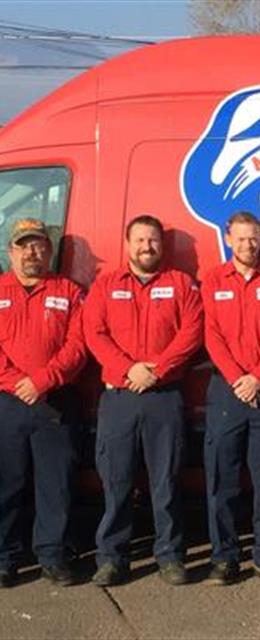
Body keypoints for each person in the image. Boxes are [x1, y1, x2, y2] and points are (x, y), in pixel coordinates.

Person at [83, 214, 202, 586]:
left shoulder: (180, 283)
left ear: (162, 245)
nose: (146, 246)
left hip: (163, 396)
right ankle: (112, 558)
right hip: (119, 396)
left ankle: (169, 556)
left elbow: (192, 332)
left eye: (153, 240)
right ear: (127, 243)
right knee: (115, 481)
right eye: (140, 240)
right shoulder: (105, 284)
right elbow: (94, 332)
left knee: (165, 481)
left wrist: (158, 370)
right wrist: (128, 369)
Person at [201, 211, 260, 586]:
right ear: (227, 237)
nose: (248, 245)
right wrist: (240, 379)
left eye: (254, 238)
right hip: (227, 390)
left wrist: (258, 377)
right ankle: (224, 558)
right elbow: (212, 335)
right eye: (240, 238)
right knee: (222, 479)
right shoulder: (212, 279)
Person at [0, 218, 86, 588]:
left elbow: (78, 346)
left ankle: (52, 555)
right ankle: (4, 557)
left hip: (55, 399)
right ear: (10, 252)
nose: (31, 252)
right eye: (24, 246)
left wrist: (43, 380)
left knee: (56, 483)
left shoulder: (69, 291)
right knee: (7, 482)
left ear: (50, 250)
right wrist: (17, 382)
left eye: (38, 245)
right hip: (9, 400)